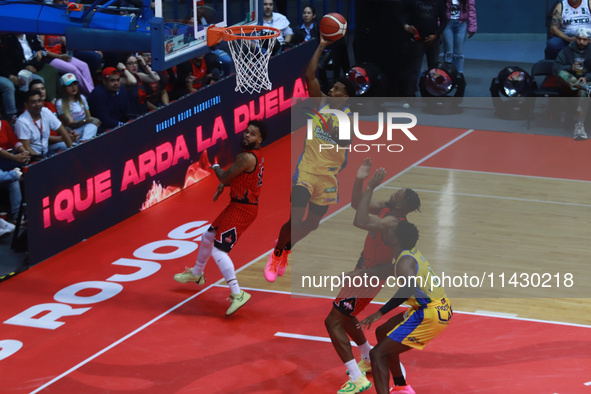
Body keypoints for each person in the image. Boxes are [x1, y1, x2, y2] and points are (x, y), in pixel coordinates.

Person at [263, 35, 357, 282]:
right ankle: (276, 254)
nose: (331, 89)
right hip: (306, 171)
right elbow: (309, 76)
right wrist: (322, 45)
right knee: (295, 217)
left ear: (345, 97)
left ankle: (287, 247)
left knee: (312, 224)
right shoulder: (322, 102)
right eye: (333, 87)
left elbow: (344, 141)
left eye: (337, 88)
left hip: (327, 177)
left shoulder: (347, 118)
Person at [327, 161, 421, 394]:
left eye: (396, 193)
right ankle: (368, 355)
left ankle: (358, 378)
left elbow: (359, 221)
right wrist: (359, 180)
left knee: (332, 321)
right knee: (347, 316)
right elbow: (357, 204)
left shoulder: (392, 223)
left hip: (369, 277)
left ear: (400, 204)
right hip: (363, 270)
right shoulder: (387, 208)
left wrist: (371, 186)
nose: (393, 192)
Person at [173, 120, 267, 316]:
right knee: (207, 237)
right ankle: (197, 273)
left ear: (260, 139)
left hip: (243, 210)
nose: (246, 135)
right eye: (246, 132)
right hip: (238, 204)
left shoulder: (245, 157)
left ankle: (237, 293)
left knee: (219, 251)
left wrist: (215, 166)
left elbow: (224, 176)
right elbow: (243, 180)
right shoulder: (256, 156)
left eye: (252, 134)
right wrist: (227, 185)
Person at [358, 232, 452, 394]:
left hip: (428, 314)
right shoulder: (409, 253)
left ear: (394, 238)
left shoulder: (404, 261)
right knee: (383, 332)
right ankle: (402, 387)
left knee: (377, 354)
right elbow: (392, 269)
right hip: (436, 307)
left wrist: (380, 312)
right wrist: (360, 274)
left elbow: (407, 288)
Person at [398, 0, 448, 99]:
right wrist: (405, 25)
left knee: (433, 69)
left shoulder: (439, 2)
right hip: (417, 40)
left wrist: (436, 35)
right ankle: (410, 95)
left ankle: (432, 94)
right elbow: (399, 13)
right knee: (414, 69)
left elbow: (443, 20)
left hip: (433, 40)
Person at [553, 27, 591, 140]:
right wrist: (570, 68)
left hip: (585, 82)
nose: (581, 42)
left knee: (583, 93)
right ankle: (583, 86)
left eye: (584, 39)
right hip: (568, 84)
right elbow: (555, 69)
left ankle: (580, 127)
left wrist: (586, 77)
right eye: (579, 39)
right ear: (575, 38)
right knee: (561, 73)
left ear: (589, 40)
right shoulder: (566, 51)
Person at [14, 89, 74, 158]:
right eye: (33, 102)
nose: (38, 104)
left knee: (67, 148)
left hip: (47, 152)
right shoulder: (22, 122)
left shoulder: (46, 111)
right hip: (33, 158)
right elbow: (27, 149)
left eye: (39, 101)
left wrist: (71, 149)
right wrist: (44, 160)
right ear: (26, 104)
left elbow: (63, 131)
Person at [56, 73, 100, 141]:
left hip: (86, 128)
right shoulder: (60, 103)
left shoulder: (82, 98)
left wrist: (90, 120)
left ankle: (84, 141)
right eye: (69, 85)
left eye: (75, 84)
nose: (73, 87)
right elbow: (70, 123)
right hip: (72, 131)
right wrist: (88, 120)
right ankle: (85, 141)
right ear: (63, 88)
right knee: (91, 124)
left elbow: (88, 116)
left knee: (92, 126)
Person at [88, 67, 130, 133]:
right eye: (112, 80)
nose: (116, 83)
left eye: (118, 80)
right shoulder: (97, 94)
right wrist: (122, 125)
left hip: (120, 125)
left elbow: (127, 111)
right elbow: (104, 119)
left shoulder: (122, 89)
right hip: (104, 130)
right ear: (104, 81)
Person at [442, 0, 477, 74]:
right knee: (448, 52)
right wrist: (438, 25)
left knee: (459, 53)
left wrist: (472, 27)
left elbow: (471, 10)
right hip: (447, 24)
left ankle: (459, 74)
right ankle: (447, 73)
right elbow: (439, 9)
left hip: (461, 25)